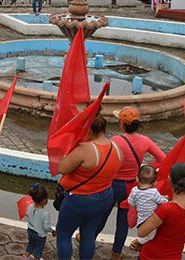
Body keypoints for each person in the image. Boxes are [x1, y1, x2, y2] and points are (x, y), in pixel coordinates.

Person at [96, 106, 166, 259]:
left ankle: (88, 237)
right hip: (131, 187)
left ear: (122, 124)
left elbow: (104, 161)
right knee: (123, 220)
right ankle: (117, 251)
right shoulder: (145, 141)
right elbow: (163, 159)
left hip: (112, 184)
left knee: (102, 214)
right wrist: (144, 171)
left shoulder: (115, 141)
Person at [56, 115, 123, 260]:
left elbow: (62, 167)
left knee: (63, 234)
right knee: (88, 235)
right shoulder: (117, 148)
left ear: (89, 131)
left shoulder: (85, 149)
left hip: (80, 199)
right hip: (104, 196)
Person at [139, 163, 185, 260]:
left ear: (169, 179)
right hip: (174, 256)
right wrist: (178, 231)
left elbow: (142, 232)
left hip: (150, 256)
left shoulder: (165, 209)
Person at [127, 165, 168, 249]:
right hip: (151, 219)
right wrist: (166, 198)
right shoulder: (154, 192)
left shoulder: (134, 190)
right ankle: (136, 242)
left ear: (137, 178)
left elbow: (130, 201)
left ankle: (140, 244)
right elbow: (162, 201)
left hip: (141, 219)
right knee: (150, 237)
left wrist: (136, 205)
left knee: (146, 235)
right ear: (155, 182)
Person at [24, 183, 55, 260]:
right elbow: (46, 227)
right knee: (38, 250)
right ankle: (36, 258)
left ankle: (25, 257)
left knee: (30, 245)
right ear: (44, 200)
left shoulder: (30, 206)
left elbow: (27, 214)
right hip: (40, 235)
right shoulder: (45, 213)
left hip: (30, 231)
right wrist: (52, 231)